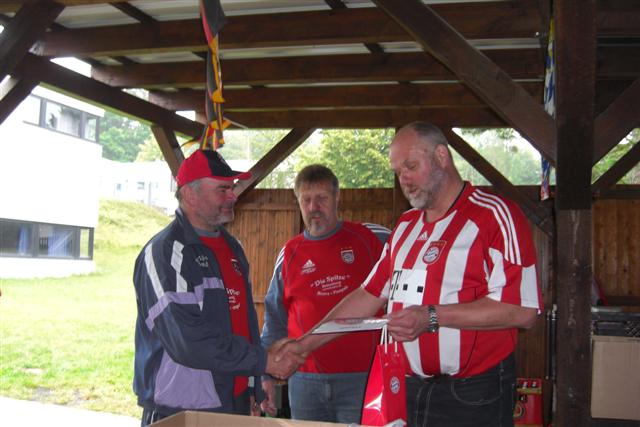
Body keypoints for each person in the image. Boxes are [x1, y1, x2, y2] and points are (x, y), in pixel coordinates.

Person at [280, 122, 543, 427]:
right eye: (397, 171)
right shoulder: (406, 226)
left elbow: (523, 310)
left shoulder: (494, 215)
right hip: (408, 387)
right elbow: (367, 295)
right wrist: (303, 346)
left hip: (473, 392)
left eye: (411, 166)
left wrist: (431, 316)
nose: (403, 179)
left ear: (441, 156)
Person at [132, 149, 303, 426]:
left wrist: (254, 383)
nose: (233, 196)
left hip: (233, 401)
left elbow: (242, 322)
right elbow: (188, 340)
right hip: (182, 407)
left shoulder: (232, 247)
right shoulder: (166, 252)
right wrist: (263, 361)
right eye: (222, 189)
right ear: (190, 194)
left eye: (231, 188)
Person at [260, 164, 390, 423]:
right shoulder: (289, 253)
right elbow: (275, 318)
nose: (313, 207)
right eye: (306, 200)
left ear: (337, 197)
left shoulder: (372, 238)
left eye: (321, 198)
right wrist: (265, 376)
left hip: (363, 377)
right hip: (305, 381)